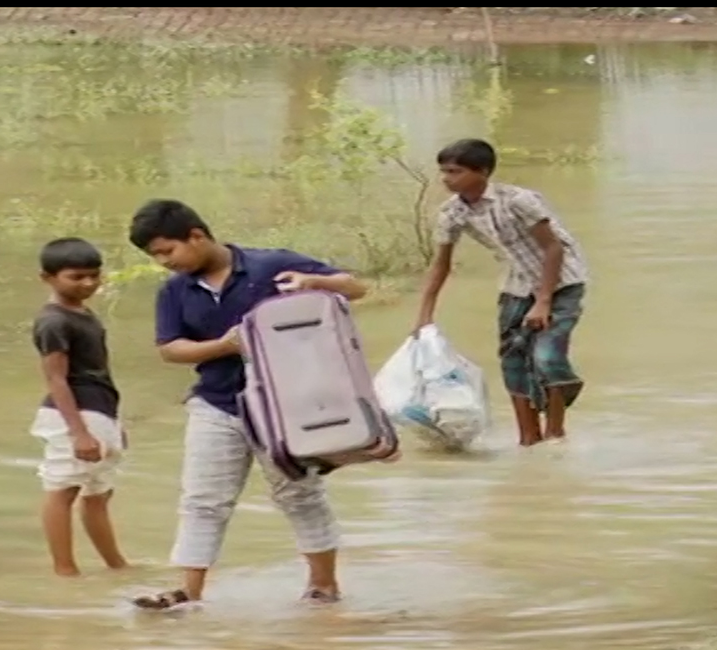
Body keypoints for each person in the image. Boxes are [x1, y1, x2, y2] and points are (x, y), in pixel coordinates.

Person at [126, 198, 383, 611]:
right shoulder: (175, 291)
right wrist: (224, 346)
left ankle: (323, 586)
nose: (164, 262)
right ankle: (188, 592)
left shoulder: (271, 266)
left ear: (196, 235)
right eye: (155, 256)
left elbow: (356, 288)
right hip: (216, 404)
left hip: (286, 406)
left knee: (299, 494)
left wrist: (313, 282)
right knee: (202, 500)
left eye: (167, 251)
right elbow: (171, 349)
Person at [412, 138, 590, 447]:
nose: (446, 179)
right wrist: (424, 316)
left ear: (482, 172)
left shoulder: (518, 200)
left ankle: (555, 432)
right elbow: (441, 265)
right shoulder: (452, 212)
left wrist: (543, 301)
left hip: (562, 282)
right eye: (444, 171)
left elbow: (553, 248)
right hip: (516, 285)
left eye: (455, 171)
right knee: (513, 360)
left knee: (547, 357)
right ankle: (528, 439)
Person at [28, 237, 129, 577]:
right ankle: (65, 571)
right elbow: (56, 378)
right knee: (63, 490)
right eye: (76, 277)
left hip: (98, 410)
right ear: (48, 278)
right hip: (74, 413)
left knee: (98, 493)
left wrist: (113, 424)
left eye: (94, 275)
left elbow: (99, 371)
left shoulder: (81, 313)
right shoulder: (53, 321)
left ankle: (116, 566)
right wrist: (78, 432)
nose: (88, 283)